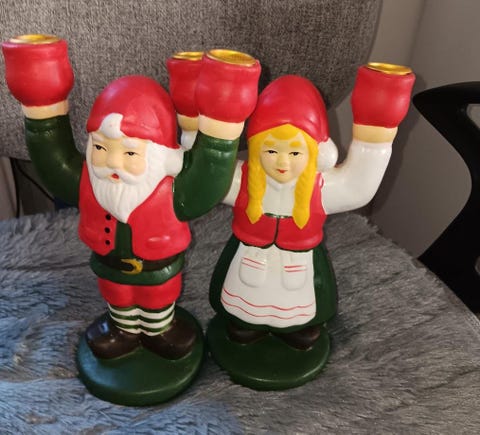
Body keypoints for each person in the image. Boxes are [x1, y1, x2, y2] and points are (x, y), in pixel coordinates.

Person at [2, 36, 261, 361]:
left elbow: (209, 181)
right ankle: (123, 331)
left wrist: (223, 122)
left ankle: (158, 330)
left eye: (129, 153)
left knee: (158, 298)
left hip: (158, 268)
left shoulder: (173, 190)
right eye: (100, 148)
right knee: (117, 297)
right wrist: (41, 105)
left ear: (158, 156)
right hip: (110, 266)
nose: (113, 163)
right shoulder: (89, 183)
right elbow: (53, 161)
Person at [208, 66, 415, 388]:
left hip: (299, 260)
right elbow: (210, 181)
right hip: (250, 254)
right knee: (243, 296)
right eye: (272, 150)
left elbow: (360, 187)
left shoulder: (321, 188)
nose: (283, 162)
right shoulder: (243, 182)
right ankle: (245, 322)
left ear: (313, 152)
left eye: (295, 152)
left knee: (299, 298)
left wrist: (376, 129)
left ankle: (296, 326)